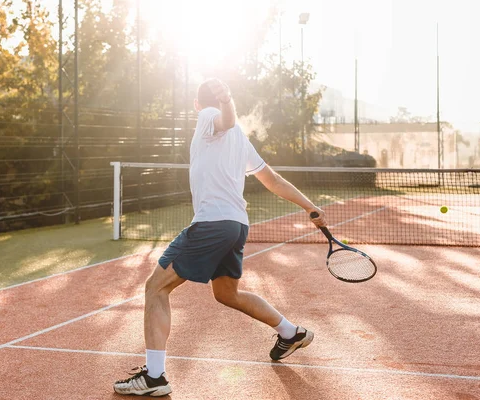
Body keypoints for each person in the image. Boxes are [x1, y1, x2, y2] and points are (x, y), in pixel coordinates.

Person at [113, 78, 327, 397]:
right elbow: (273, 180)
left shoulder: (207, 118)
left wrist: (225, 101)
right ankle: (290, 332)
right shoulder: (240, 139)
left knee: (155, 287)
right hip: (237, 225)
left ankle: (155, 377)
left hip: (213, 223)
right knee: (227, 293)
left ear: (196, 106)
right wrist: (309, 206)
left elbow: (226, 119)